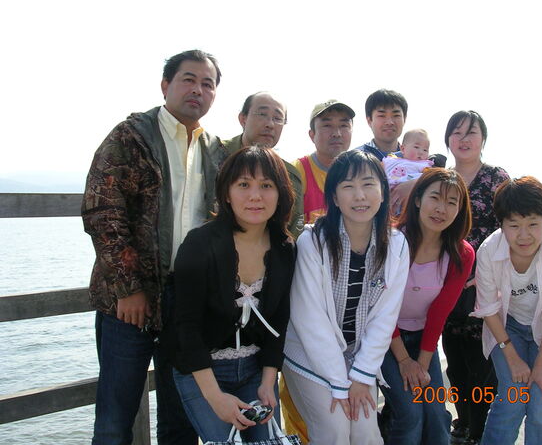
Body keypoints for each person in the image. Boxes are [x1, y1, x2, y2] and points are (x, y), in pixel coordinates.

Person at [82, 49, 225, 445]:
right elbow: (102, 212)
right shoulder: (131, 136)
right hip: (130, 302)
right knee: (115, 419)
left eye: (207, 84)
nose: (197, 90)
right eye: (188, 79)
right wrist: (129, 288)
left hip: (188, 302)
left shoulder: (215, 150)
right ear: (166, 85)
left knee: (182, 419)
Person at [169, 146, 296, 442]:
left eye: (267, 185)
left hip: (255, 370)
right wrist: (216, 398)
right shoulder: (200, 244)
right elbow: (186, 327)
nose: (255, 196)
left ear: (280, 194)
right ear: (226, 193)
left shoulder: (284, 247)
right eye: (244, 185)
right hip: (202, 370)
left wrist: (268, 381)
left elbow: (279, 320)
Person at [283, 149, 410, 445]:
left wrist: (361, 377)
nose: (360, 195)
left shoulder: (396, 245)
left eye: (368, 184)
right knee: (335, 429)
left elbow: (385, 318)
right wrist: (341, 383)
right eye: (348, 186)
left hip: (357, 355)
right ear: (335, 198)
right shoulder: (313, 241)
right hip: (308, 353)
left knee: (366, 432)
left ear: (383, 192)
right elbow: (309, 320)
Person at [471, 177, 542, 444]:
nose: (523, 235)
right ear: (501, 225)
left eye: (533, 224)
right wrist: (512, 356)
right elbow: (488, 308)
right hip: (507, 324)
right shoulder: (488, 250)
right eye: (514, 225)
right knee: (512, 397)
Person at [380, 168, 475, 445]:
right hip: (384, 338)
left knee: (435, 414)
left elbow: (439, 312)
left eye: (451, 202)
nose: (441, 209)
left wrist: (420, 364)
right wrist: (403, 361)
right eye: (435, 198)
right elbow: (381, 306)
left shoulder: (461, 253)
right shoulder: (392, 241)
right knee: (410, 414)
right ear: (418, 199)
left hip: (424, 340)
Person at [440, 110, 510, 445]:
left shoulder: (497, 178)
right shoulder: (441, 179)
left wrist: (488, 274)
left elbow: (510, 229)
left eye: (471, 132)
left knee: (482, 363)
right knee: (454, 361)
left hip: (485, 283)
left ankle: (481, 431)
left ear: (483, 139)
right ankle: (463, 422)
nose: (464, 139)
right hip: (445, 282)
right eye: (457, 132)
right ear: (448, 139)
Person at [223, 91, 303, 237]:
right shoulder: (215, 154)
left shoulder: (289, 175)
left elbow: (290, 232)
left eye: (278, 118)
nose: (270, 124)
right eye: (262, 114)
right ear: (243, 119)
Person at [295, 99, 355, 223]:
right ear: (312, 135)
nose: (337, 134)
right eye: (327, 126)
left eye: (344, 126)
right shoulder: (297, 172)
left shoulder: (363, 171)